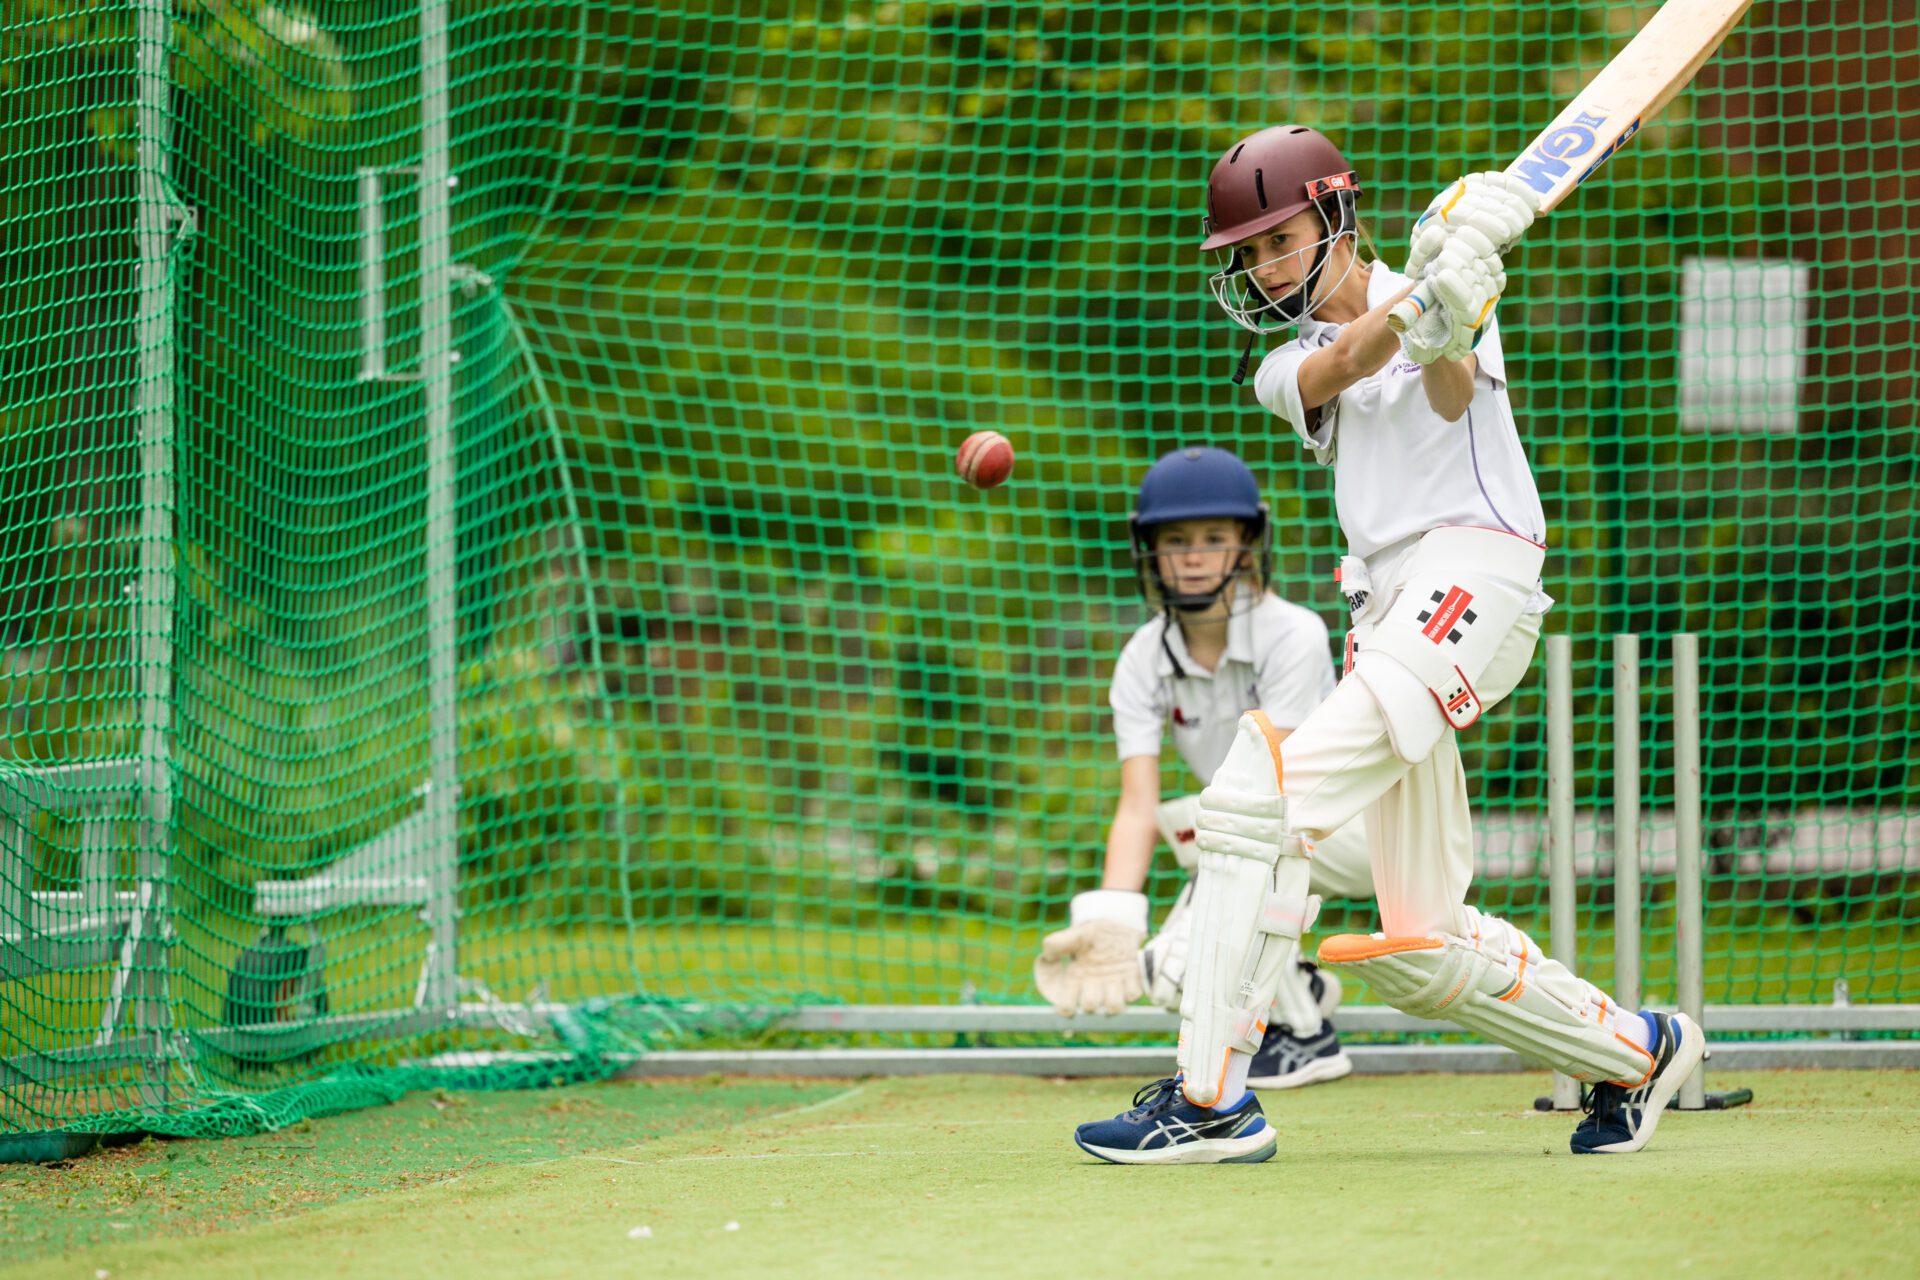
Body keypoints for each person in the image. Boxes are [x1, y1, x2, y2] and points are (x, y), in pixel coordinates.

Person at [1073, 125, 1705, 1165]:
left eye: (1278, 241)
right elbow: (1341, 366)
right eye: (1249, 253)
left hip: (1474, 570)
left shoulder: (1451, 280)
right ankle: (1638, 1048)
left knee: (1251, 800)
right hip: (1387, 614)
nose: (1262, 268)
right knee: (1421, 941)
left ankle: (1211, 1098)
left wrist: (1452, 308)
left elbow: (1452, 391)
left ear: (1335, 218)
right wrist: (1423, 301)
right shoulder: (1285, 361)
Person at [1033, 446, 1375, 1104]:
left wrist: (1190, 931)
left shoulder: (1293, 635)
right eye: (1176, 540)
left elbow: (1290, 789)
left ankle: (1296, 1027)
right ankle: (1293, 1001)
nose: (1193, 556)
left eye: (1213, 538)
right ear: (1150, 550)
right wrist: (1113, 918)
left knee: (1174, 966)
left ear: (1246, 543)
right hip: (1245, 834)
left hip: (1345, 829)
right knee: (1189, 822)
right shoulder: (1142, 657)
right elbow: (1138, 805)